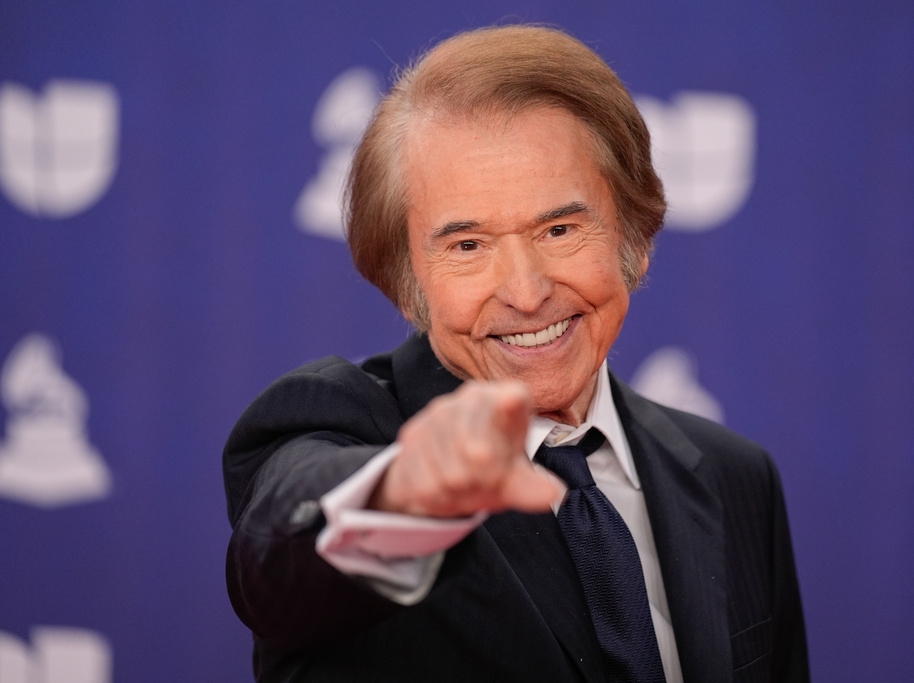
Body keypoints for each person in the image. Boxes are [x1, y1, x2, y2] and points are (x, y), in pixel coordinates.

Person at [223, 24, 809, 683]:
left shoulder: (736, 478)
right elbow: (280, 560)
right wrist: (408, 495)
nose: (527, 294)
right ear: (409, 282)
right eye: (468, 246)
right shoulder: (343, 426)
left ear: (636, 238)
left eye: (559, 229)